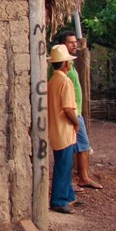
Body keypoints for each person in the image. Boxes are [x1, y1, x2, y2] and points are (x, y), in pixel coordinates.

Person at [56, 30, 104, 191]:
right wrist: (74, 118)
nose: (74, 44)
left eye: (75, 41)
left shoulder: (70, 65)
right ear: (63, 45)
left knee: (80, 147)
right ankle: (72, 182)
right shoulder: (63, 70)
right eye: (71, 42)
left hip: (75, 112)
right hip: (71, 113)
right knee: (72, 148)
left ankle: (81, 178)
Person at [47, 44, 80, 214]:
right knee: (64, 165)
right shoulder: (65, 82)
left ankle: (68, 195)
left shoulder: (52, 81)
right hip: (64, 130)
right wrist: (76, 122)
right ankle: (59, 200)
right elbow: (67, 108)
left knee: (64, 163)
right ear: (66, 64)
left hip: (55, 129)